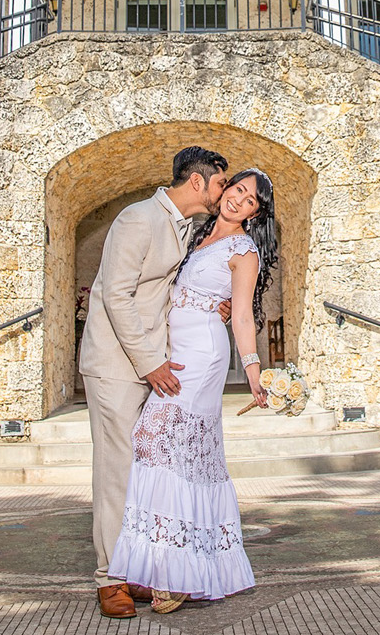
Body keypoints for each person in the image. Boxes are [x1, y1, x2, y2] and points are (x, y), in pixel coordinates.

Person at [107, 169, 280, 614]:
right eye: (237, 189)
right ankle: (171, 561)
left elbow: (240, 315)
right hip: (172, 348)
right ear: (225, 190)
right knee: (161, 448)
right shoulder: (196, 236)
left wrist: (254, 370)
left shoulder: (244, 249)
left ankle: (178, 573)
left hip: (200, 357)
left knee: (169, 447)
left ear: (257, 214)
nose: (239, 200)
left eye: (251, 201)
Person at [79, 146, 229, 619]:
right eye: (222, 183)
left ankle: (135, 565)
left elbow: (168, 291)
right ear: (199, 182)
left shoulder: (185, 227)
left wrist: (213, 307)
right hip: (116, 364)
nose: (225, 192)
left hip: (154, 363)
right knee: (117, 471)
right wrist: (149, 363)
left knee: (145, 472)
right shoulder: (137, 218)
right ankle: (110, 580)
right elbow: (115, 296)